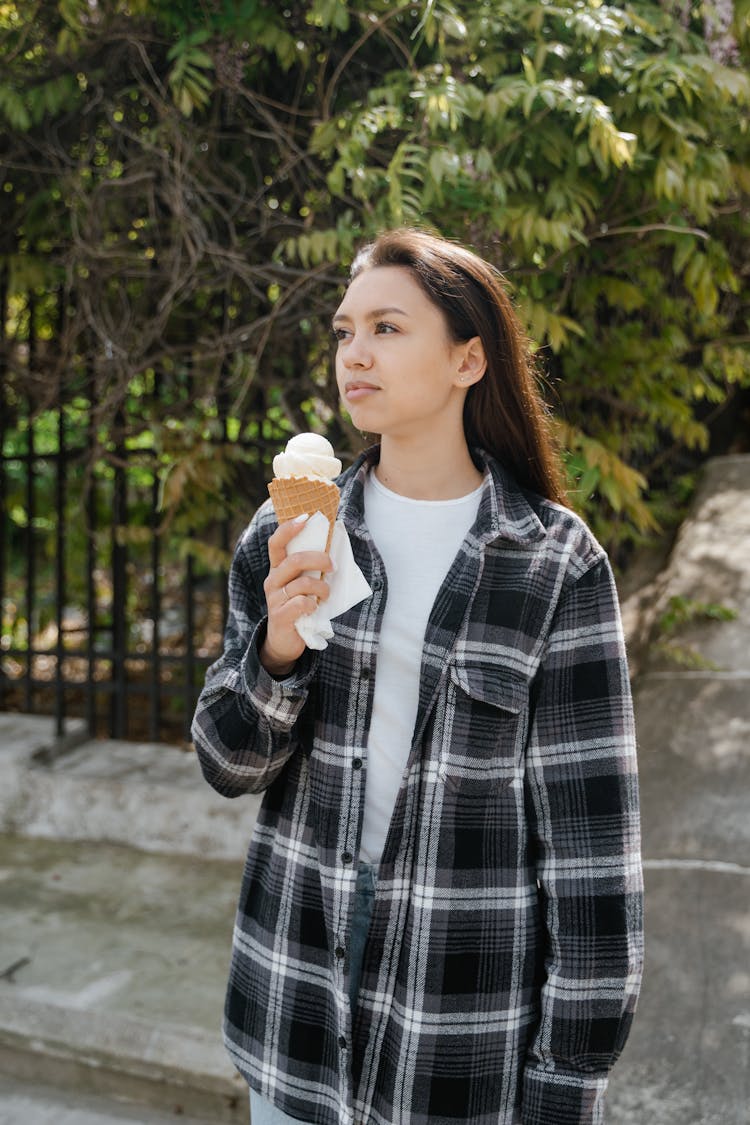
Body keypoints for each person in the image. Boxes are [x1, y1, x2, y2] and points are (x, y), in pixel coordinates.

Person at [191, 228, 644, 1125]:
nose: (354, 353)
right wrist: (279, 649)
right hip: (295, 986)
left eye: (388, 328)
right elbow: (224, 763)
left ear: (468, 357)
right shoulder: (289, 532)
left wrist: (568, 1078)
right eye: (343, 329)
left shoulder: (554, 563)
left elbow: (594, 852)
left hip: (461, 1009)